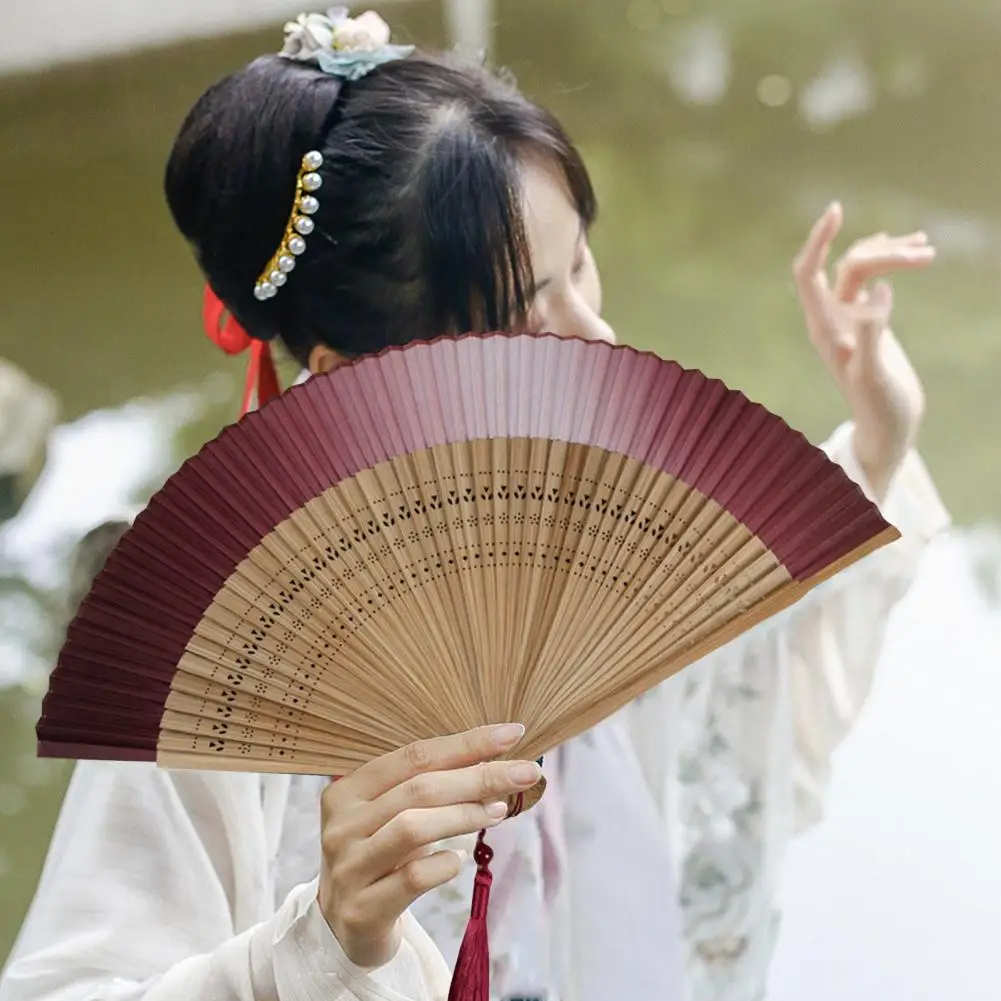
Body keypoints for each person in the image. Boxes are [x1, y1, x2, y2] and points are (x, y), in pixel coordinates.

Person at [0, 9, 950, 1001]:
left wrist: (877, 443)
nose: (600, 339)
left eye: (579, 263)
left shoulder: (616, 535)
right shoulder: (220, 658)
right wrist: (317, 944)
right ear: (355, 377)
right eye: (523, 316)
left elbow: (734, 744)